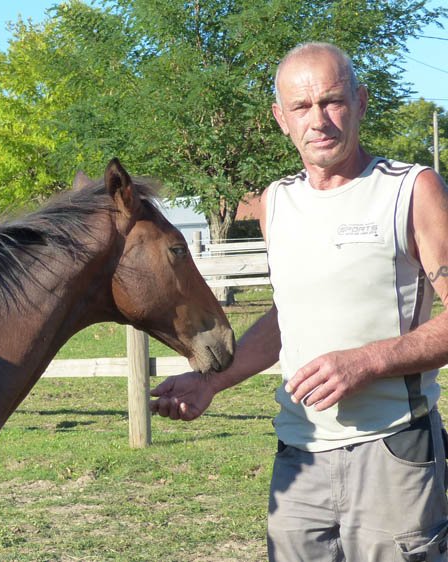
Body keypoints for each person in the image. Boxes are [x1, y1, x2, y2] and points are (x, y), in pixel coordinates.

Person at [150, 42, 448, 561]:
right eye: (301, 107)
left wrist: (368, 361)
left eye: (332, 101)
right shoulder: (277, 202)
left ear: (360, 102)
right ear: (280, 118)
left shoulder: (411, 189)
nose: (319, 121)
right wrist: (210, 381)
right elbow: (286, 316)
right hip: (299, 453)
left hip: (394, 448)